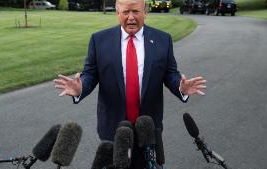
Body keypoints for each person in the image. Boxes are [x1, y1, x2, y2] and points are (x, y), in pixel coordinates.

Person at [54, 0, 206, 167]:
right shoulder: (99, 40)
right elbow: (90, 74)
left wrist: (180, 87)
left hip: (148, 128)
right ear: (118, 13)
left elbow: (170, 74)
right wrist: (80, 87)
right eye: (126, 12)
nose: (131, 17)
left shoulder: (163, 39)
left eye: (136, 11)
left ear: (145, 12)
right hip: (112, 127)